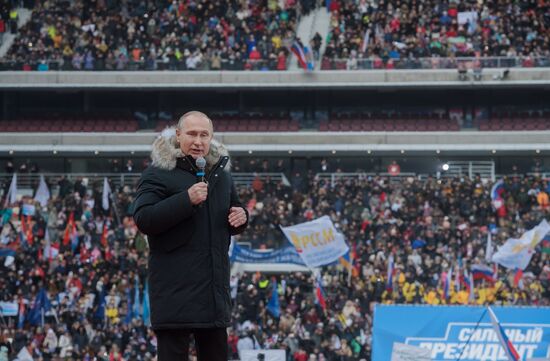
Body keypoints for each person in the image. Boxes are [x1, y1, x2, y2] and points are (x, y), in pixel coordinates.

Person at [133, 111, 249, 360]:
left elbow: (234, 212)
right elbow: (144, 218)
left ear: (211, 138)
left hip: (213, 297)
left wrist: (241, 218)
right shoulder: (157, 173)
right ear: (178, 135)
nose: (198, 141)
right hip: (176, 298)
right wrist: (186, 200)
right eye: (192, 134)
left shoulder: (221, 175)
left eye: (204, 135)